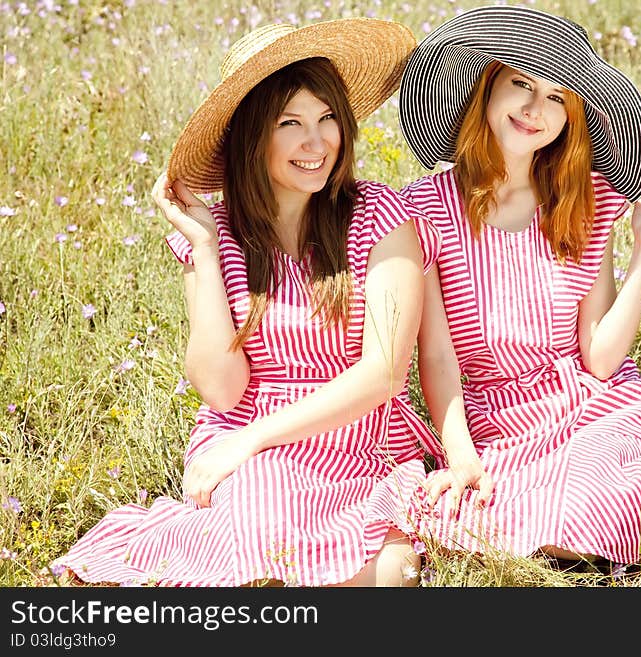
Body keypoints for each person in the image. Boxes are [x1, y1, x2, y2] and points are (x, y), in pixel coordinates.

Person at [398, 5, 641, 566]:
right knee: (480, 511)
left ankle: (599, 525)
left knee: (595, 496)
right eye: (521, 85)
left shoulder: (587, 200)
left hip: (587, 408)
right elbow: (437, 355)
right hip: (494, 422)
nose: (537, 109)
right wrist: (460, 456)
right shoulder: (427, 208)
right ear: (485, 90)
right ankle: (589, 535)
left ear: (572, 117)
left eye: (558, 97)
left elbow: (601, 358)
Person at [51, 19, 441, 587]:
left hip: (356, 437)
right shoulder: (220, 232)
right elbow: (221, 389)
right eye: (291, 123)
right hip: (248, 441)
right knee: (263, 512)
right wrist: (206, 252)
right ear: (253, 135)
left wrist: (252, 438)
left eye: (327, 118)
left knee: (385, 574)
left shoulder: (380, 216)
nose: (317, 142)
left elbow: (382, 374)